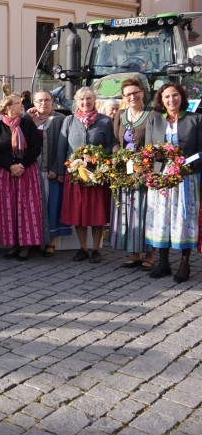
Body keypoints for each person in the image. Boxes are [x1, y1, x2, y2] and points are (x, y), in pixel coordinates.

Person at [144, 83, 202, 282]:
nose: (171, 100)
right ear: (161, 100)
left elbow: (201, 150)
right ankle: (163, 262)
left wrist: (184, 164)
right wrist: (155, 175)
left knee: (184, 220)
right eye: (167, 96)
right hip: (161, 178)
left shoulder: (196, 119)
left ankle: (185, 263)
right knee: (161, 219)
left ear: (181, 97)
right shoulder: (154, 120)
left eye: (175, 95)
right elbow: (149, 151)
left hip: (186, 177)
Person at [56, 87, 113, 263]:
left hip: (96, 176)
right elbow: (62, 147)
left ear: (94, 100)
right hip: (74, 175)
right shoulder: (69, 121)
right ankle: (83, 248)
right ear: (76, 101)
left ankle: (96, 249)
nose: (85, 102)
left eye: (88, 99)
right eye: (81, 99)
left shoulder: (105, 121)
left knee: (97, 214)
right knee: (78, 214)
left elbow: (111, 146)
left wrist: (98, 158)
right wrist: (60, 171)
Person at [0, 94, 43, 260]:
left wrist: (22, 165)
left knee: (26, 208)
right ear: (8, 108)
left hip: (26, 171)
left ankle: (26, 245)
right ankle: (14, 244)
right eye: (18, 103)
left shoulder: (27, 124)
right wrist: (10, 166)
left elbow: (36, 148)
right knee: (9, 209)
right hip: (6, 173)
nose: (22, 106)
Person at [110, 78, 154, 270]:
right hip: (125, 169)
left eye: (135, 92)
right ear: (123, 97)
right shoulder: (120, 114)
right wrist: (117, 157)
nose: (132, 97)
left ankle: (150, 254)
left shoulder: (152, 114)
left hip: (146, 169)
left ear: (142, 93)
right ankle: (134, 253)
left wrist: (146, 166)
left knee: (146, 211)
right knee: (129, 211)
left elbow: (156, 144)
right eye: (128, 94)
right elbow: (115, 140)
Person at [25, 89, 69, 257]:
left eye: (46, 100)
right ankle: (34, 239)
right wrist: (26, 117)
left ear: (52, 101)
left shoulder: (61, 119)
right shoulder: (28, 120)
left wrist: (57, 169)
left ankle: (50, 241)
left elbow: (64, 146)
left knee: (51, 205)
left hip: (50, 170)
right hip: (31, 171)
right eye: (39, 101)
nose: (43, 103)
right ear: (34, 103)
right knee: (33, 207)